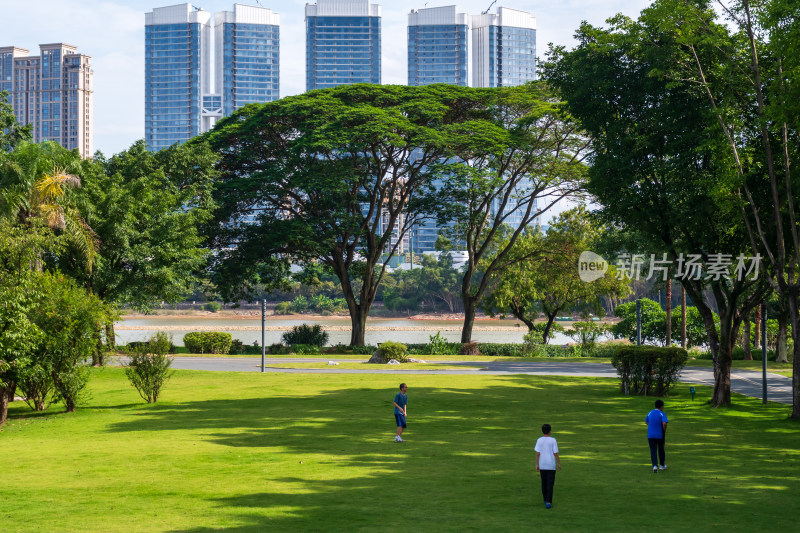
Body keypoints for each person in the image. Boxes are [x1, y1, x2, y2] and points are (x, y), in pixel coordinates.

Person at [534, 424, 561, 509]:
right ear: (550, 431)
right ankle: (549, 501)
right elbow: (555, 453)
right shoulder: (553, 440)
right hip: (551, 465)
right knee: (550, 483)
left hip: (542, 464)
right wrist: (559, 463)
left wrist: (537, 464)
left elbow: (538, 453)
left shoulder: (539, 440)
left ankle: (545, 499)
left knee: (544, 482)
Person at [645, 399, 668, 473]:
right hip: (659, 435)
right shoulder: (662, 413)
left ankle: (654, 466)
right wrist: (663, 430)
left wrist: (652, 427)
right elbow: (664, 423)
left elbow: (646, 422)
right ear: (661, 406)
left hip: (650, 435)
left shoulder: (650, 413)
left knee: (653, 450)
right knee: (661, 449)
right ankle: (662, 465)